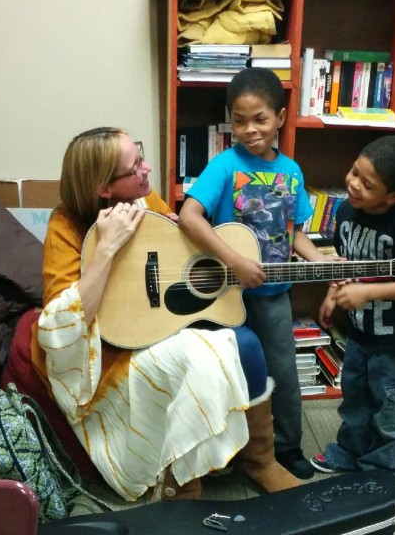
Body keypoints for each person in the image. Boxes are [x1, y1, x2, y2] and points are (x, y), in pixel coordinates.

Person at [30, 127, 301, 501]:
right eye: (135, 167)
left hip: (160, 323)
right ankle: (182, 484)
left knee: (247, 343)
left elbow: (173, 253)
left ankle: (260, 461)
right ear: (104, 188)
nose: (147, 169)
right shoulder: (65, 225)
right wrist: (107, 249)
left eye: (140, 156)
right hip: (108, 351)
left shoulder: (144, 199)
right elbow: (63, 325)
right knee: (200, 360)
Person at [179, 67, 340, 480]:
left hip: (273, 295)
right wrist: (234, 260)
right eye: (239, 121)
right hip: (224, 296)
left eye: (260, 119)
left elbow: (295, 233)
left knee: (282, 372)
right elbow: (189, 217)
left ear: (280, 118)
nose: (249, 130)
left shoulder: (292, 172)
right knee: (228, 373)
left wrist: (319, 262)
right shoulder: (223, 166)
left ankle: (286, 447)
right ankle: (229, 452)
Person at [309, 136, 395, 476]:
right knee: (354, 396)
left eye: (367, 184)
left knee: (388, 404)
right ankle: (349, 452)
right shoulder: (346, 211)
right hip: (359, 332)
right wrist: (333, 291)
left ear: (393, 196)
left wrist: (368, 293)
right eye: (354, 172)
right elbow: (346, 263)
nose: (353, 184)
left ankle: (381, 468)